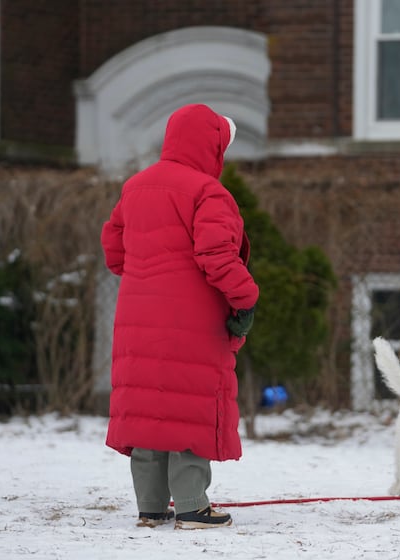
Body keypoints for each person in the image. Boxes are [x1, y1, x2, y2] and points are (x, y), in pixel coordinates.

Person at [100, 103, 259, 530]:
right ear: (212, 148)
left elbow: (114, 250)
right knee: (189, 408)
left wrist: (149, 276)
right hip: (191, 322)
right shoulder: (208, 192)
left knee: (150, 410)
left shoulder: (135, 187)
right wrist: (246, 298)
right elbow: (216, 255)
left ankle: (150, 508)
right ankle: (191, 506)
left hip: (138, 320)